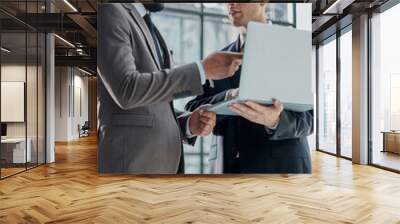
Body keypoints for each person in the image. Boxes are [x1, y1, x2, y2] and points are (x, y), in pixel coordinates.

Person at [97, 3, 242, 174]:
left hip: (160, 167)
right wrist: (202, 70)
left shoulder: (147, 24)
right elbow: (126, 89)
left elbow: (153, 105)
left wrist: (187, 123)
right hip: (130, 166)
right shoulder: (110, 11)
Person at [185, 2, 314, 173]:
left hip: (280, 171)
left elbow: (308, 120)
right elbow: (192, 108)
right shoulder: (219, 58)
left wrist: (274, 121)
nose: (231, 3)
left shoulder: (291, 48)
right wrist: (227, 97)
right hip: (228, 170)